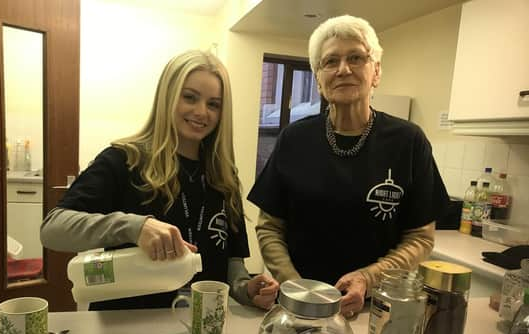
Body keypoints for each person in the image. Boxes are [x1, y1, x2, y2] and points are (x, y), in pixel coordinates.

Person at [41, 50, 278, 311]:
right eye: (189, 97)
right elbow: (53, 229)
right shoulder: (124, 160)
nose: (201, 112)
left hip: (202, 333)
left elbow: (232, 262)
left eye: (214, 104)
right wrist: (135, 227)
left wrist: (246, 289)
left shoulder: (223, 176)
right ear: (167, 97)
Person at [247, 15, 449, 318]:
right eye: (330, 61)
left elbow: (420, 238)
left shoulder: (408, 142)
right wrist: (298, 288)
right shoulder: (294, 138)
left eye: (356, 57)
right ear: (318, 79)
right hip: (299, 308)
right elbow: (269, 226)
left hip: (377, 309)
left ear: (376, 71)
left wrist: (368, 278)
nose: (343, 69)